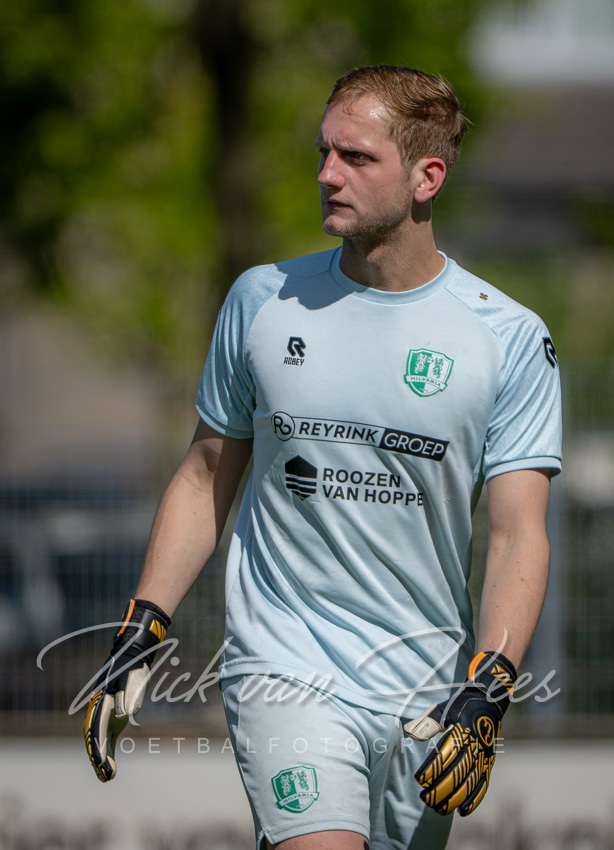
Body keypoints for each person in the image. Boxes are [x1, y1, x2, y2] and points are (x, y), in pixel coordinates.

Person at [83, 65, 562, 850]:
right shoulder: (260, 300)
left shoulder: (506, 337)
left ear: (427, 177)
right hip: (283, 666)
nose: (326, 174)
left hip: (425, 680)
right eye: (323, 152)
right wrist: (143, 626)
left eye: (356, 157)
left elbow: (519, 534)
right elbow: (204, 475)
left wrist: (490, 686)